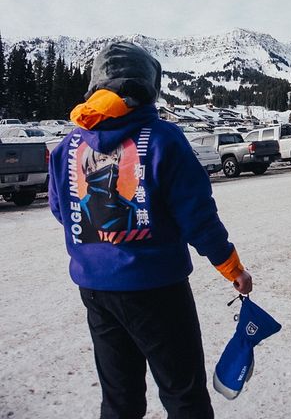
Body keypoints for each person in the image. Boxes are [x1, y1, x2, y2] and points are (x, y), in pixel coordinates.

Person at [48, 41, 252, 419]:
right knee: (183, 394)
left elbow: (62, 210)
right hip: (157, 290)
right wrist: (232, 267)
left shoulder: (67, 146)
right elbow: (198, 217)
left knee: (119, 399)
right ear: (146, 87)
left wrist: (102, 241)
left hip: (95, 289)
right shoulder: (162, 138)